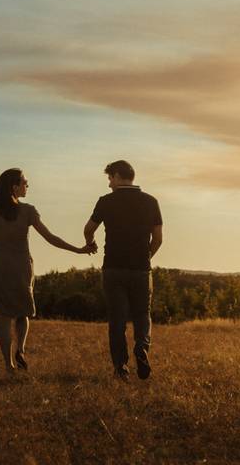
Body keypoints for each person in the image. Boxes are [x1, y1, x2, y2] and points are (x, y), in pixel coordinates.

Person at [0, 168, 95, 372]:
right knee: (23, 313)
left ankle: (8, 365)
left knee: (4, 317)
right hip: (21, 268)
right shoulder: (28, 211)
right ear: (14, 187)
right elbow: (50, 237)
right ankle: (20, 349)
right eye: (25, 183)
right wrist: (78, 250)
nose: (28, 186)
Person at [84, 160, 162, 381]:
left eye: (110, 178)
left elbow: (88, 228)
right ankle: (142, 347)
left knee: (117, 320)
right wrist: (145, 258)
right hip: (141, 270)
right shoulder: (151, 202)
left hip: (113, 268)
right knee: (142, 314)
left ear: (118, 176)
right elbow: (158, 239)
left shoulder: (106, 202)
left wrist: (90, 243)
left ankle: (121, 367)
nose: (109, 184)